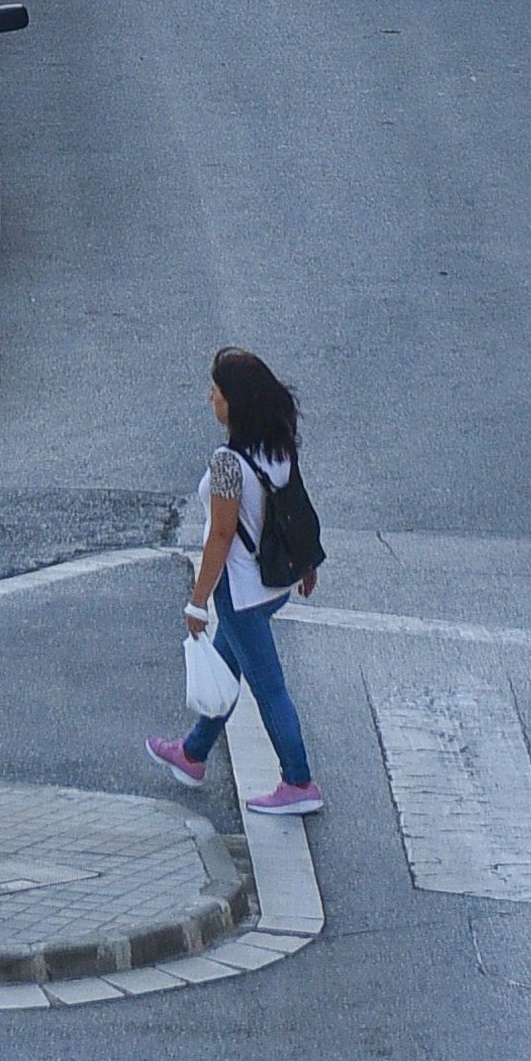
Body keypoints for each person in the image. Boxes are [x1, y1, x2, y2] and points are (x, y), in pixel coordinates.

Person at [149, 347, 322, 814]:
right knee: (227, 671)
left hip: (241, 592)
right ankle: (192, 754)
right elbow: (295, 509)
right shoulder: (278, 443)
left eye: (217, 391)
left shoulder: (228, 461)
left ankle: (299, 782)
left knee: (269, 688)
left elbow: (222, 535)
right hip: (273, 587)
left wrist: (197, 601)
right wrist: (307, 565)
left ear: (235, 402)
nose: (211, 397)